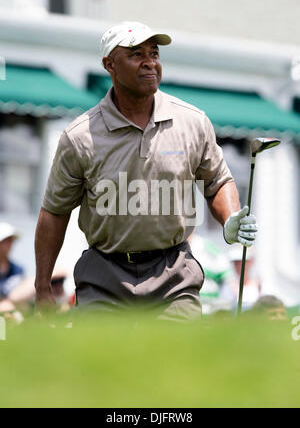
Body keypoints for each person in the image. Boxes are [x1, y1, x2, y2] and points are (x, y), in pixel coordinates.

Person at [34, 21, 258, 321]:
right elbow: (54, 213)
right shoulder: (79, 137)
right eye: (136, 54)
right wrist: (42, 286)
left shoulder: (192, 122)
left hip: (173, 274)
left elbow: (217, 181)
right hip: (104, 275)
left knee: (175, 363)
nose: (150, 62)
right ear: (109, 64)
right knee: (104, 365)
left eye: (154, 53)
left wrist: (230, 218)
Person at [219, 245, 261, 311]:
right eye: (236, 262)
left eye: (242, 261)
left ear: (251, 261)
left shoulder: (260, 284)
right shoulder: (228, 287)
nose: (239, 265)